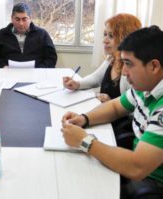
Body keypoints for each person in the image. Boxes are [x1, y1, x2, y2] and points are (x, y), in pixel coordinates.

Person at [61, 26, 163, 198]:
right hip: (137, 167)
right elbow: (116, 107)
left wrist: (85, 141)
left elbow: (136, 167)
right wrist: (84, 118)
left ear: (154, 66)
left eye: (129, 64)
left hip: (151, 183)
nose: (124, 72)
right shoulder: (145, 86)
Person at [63, 13, 141, 103]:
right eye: (105, 34)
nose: (104, 40)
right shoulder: (111, 59)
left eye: (111, 36)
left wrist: (110, 102)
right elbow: (95, 78)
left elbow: (135, 108)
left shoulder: (131, 69)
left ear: (124, 38)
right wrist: (77, 84)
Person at [0, 2, 57, 68]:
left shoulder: (42, 34)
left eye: (24, 19)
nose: (21, 23)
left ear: (30, 18)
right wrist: (3, 66)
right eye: (17, 19)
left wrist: (40, 69)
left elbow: (51, 58)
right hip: (8, 74)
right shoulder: (2, 34)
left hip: (37, 74)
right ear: (12, 18)